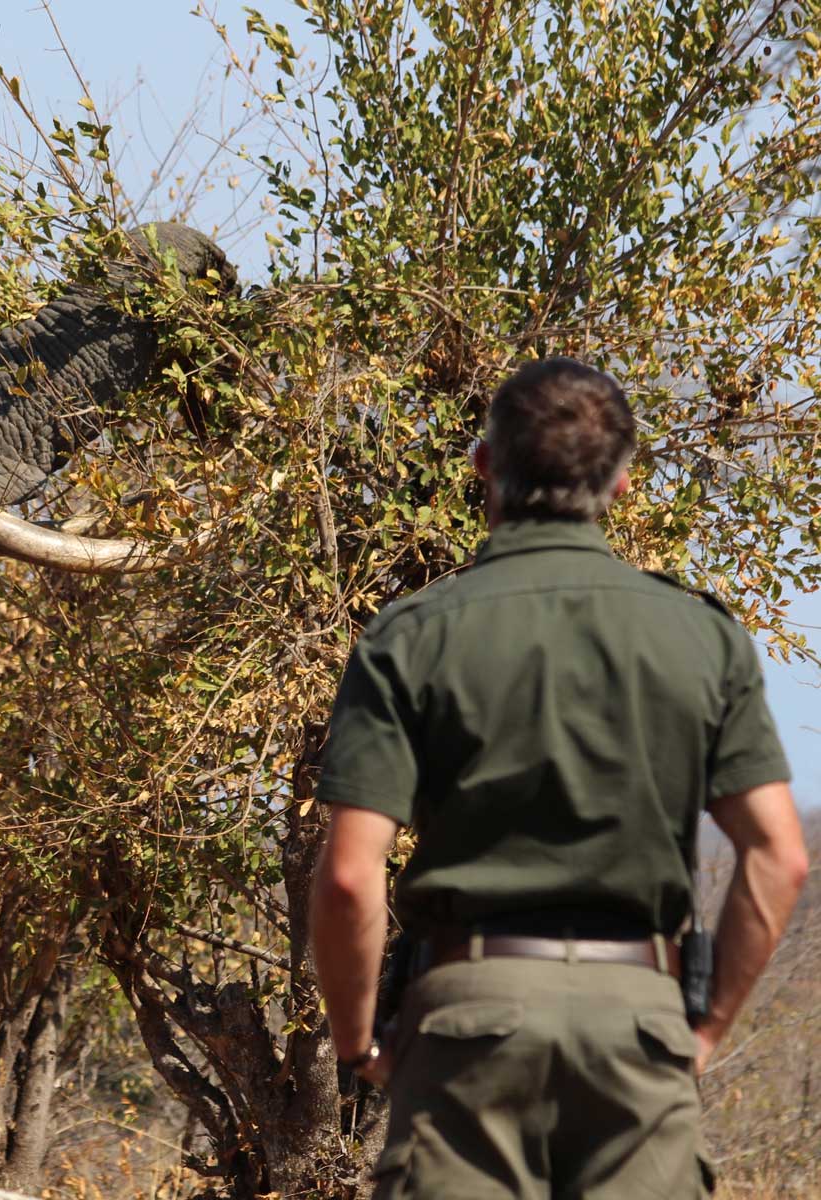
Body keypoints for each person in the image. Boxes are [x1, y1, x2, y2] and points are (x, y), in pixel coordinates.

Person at [308, 357, 809, 1197]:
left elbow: (355, 877)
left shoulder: (410, 638)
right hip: (638, 1022)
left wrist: (360, 1045)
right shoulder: (701, 638)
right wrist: (703, 1029)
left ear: (483, 467)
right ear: (620, 485)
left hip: (468, 1019)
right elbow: (779, 857)